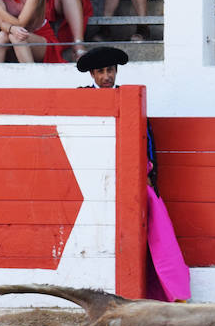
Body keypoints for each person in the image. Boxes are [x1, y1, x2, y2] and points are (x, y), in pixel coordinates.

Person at [77, 45, 191, 303]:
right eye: (101, 72)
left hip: (131, 180)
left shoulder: (129, 98)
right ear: (92, 75)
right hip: (95, 182)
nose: (107, 76)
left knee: (154, 230)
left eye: (111, 71)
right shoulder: (81, 98)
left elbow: (146, 141)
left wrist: (148, 173)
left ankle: (166, 290)